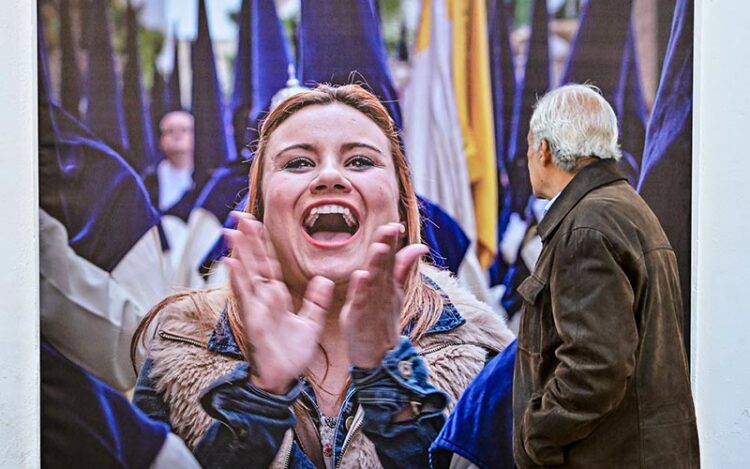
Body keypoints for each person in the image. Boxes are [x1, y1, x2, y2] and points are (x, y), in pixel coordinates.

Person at [131, 84, 514, 468]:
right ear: (261, 204)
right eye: (298, 163)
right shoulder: (181, 344)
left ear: (400, 202)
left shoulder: (484, 354)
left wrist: (391, 386)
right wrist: (260, 399)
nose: (330, 176)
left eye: (361, 161)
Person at [513, 84, 699, 467]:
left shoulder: (587, 226)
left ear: (544, 149)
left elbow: (596, 367)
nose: (528, 156)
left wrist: (537, 434)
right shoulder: (621, 207)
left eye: (530, 145)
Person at [145, 110, 195, 213]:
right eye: (170, 131)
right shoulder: (150, 179)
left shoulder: (209, 177)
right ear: (160, 140)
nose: (177, 135)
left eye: (184, 130)